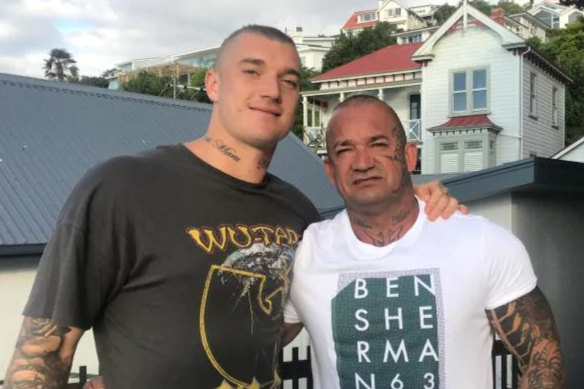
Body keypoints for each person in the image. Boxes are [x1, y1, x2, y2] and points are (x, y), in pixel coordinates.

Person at [3, 27, 459, 389]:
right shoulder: (122, 187)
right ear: (213, 84)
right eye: (253, 71)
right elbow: (44, 353)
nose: (273, 90)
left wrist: (411, 196)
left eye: (289, 80)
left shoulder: (297, 212)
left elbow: (278, 317)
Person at [283, 95, 565, 389]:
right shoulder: (305, 255)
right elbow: (249, 347)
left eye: (378, 145)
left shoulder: (483, 243)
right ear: (330, 171)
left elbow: (542, 359)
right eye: (345, 150)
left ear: (409, 157)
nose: (362, 162)